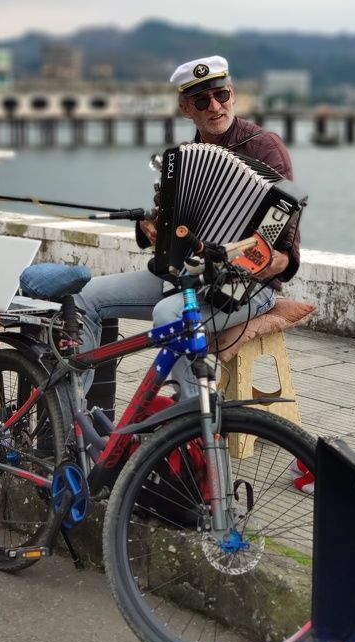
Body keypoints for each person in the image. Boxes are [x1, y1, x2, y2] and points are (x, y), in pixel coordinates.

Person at [22, 55, 301, 410]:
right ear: (187, 108)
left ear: (233, 95)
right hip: (182, 278)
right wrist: (151, 227)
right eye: (202, 101)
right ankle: (72, 415)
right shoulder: (183, 157)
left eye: (222, 95)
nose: (215, 106)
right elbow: (167, 221)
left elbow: (285, 234)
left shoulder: (265, 147)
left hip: (246, 286)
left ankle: (193, 418)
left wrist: (274, 261)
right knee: (84, 297)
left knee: (170, 314)